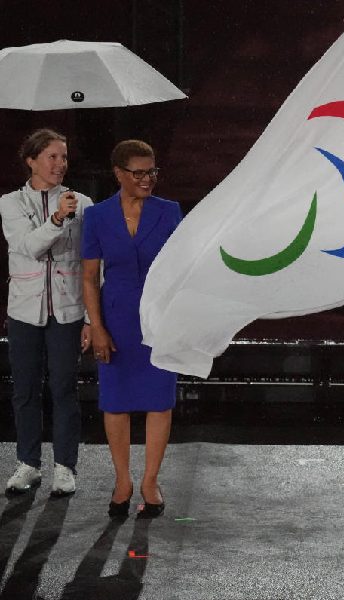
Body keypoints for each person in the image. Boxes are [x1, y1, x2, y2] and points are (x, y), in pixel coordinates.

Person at [81, 139, 182, 519]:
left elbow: (182, 267)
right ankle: (122, 481)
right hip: (117, 318)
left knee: (159, 400)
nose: (147, 179)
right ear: (118, 174)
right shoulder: (97, 216)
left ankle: (150, 483)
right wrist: (97, 326)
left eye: (152, 171)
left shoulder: (169, 211)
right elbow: (89, 278)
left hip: (160, 318)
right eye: (138, 173)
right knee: (116, 401)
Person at [1, 129, 93, 497]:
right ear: (31, 160)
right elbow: (28, 247)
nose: (60, 164)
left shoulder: (82, 203)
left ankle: (65, 466)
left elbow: (93, 262)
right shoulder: (10, 203)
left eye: (64, 157)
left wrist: (90, 318)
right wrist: (56, 220)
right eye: (52, 156)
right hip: (24, 309)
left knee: (64, 388)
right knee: (25, 389)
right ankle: (28, 463)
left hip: (68, 310)